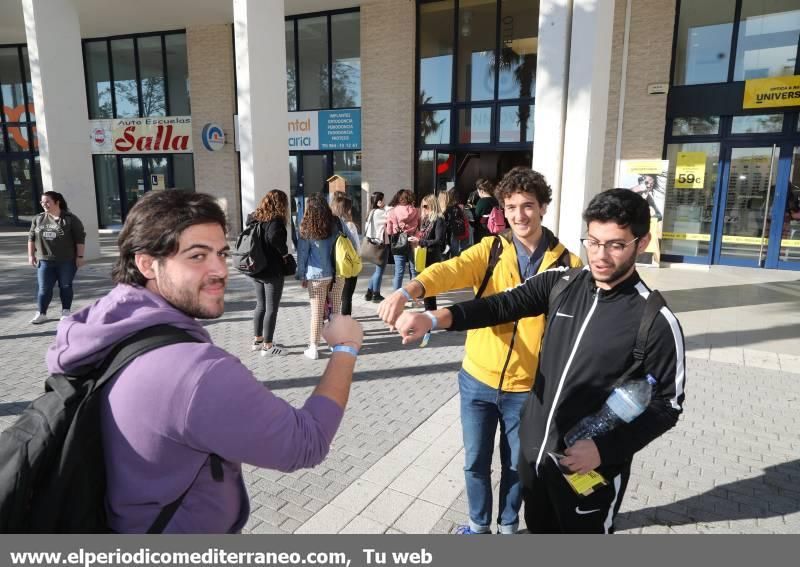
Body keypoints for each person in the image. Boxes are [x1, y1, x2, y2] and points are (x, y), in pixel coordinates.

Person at [45, 190, 363, 533]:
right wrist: (345, 349)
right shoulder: (196, 374)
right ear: (146, 263)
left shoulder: (104, 322)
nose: (220, 270)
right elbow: (306, 442)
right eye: (197, 256)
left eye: (221, 253)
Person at [392, 188, 686, 534]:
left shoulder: (654, 319)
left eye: (615, 244)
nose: (600, 255)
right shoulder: (561, 282)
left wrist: (604, 450)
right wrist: (434, 319)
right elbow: (499, 305)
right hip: (536, 458)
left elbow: (668, 405)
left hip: (589, 470)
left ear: (642, 242)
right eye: (592, 241)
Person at [379, 167, 581, 535]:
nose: (520, 215)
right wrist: (406, 292)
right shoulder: (491, 250)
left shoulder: (569, 265)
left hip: (528, 388)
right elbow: (447, 270)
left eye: (528, 206)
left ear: (544, 207)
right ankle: (477, 524)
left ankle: (507, 525)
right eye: (512, 206)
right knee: (475, 461)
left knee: (518, 466)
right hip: (478, 381)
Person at [296, 194, 345, 360]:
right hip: (337, 274)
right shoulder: (336, 222)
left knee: (316, 313)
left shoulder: (306, 227)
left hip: (316, 276)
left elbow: (302, 255)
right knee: (336, 311)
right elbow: (349, 242)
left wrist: (302, 275)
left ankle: (314, 348)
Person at [28, 191, 86, 324]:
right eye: (42, 202)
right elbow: (31, 238)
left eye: (47, 201)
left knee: (65, 286)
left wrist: (80, 256)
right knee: (44, 287)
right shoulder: (38, 219)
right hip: (45, 260)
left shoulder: (70, 219)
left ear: (57, 202)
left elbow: (80, 239)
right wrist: (31, 255)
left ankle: (66, 311)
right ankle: (41, 313)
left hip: (66, 260)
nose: (44, 204)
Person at [247, 190, 292, 357]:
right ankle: (268, 346)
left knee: (261, 305)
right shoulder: (276, 221)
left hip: (256, 268)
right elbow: (274, 237)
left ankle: (257, 340)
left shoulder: (255, 218)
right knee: (271, 308)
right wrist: (284, 253)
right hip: (272, 270)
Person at [408, 194, 447, 311]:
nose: (423, 208)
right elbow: (424, 236)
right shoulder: (427, 220)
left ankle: (430, 318)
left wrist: (420, 241)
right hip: (424, 256)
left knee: (429, 289)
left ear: (432, 205)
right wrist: (417, 239)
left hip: (432, 257)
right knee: (426, 289)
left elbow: (438, 241)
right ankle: (429, 317)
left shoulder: (439, 220)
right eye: (422, 206)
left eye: (426, 206)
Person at [330, 192, 360, 316]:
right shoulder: (350, 225)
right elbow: (356, 247)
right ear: (347, 209)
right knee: (347, 297)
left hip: (333, 266)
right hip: (347, 264)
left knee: (335, 298)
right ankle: (345, 324)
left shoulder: (329, 224)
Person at [385, 189, 420, 291]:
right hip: (413, 241)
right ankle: (415, 296)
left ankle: (397, 296)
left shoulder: (393, 211)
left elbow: (390, 231)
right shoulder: (416, 211)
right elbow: (420, 227)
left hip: (399, 242)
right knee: (414, 270)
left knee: (399, 271)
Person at [363, 192, 389, 302]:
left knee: (377, 270)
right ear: (378, 202)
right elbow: (390, 217)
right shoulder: (380, 212)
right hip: (380, 245)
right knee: (379, 271)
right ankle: (376, 294)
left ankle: (369, 292)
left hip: (372, 244)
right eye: (382, 200)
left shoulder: (371, 212)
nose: (384, 202)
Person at [439, 189, 467, 258]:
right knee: (455, 255)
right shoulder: (456, 208)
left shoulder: (440, 211)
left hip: (444, 238)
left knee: (443, 258)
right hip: (454, 234)